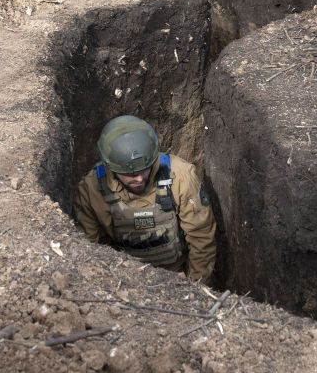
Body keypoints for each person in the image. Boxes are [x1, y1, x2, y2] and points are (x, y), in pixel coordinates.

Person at [75, 115, 217, 283]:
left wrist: (195, 289)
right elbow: (87, 247)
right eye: (130, 174)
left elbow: (201, 238)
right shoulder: (92, 189)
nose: (140, 179)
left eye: (144, 170)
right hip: (123, 280)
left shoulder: (181, 177)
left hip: (176, 276)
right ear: (110, 167)